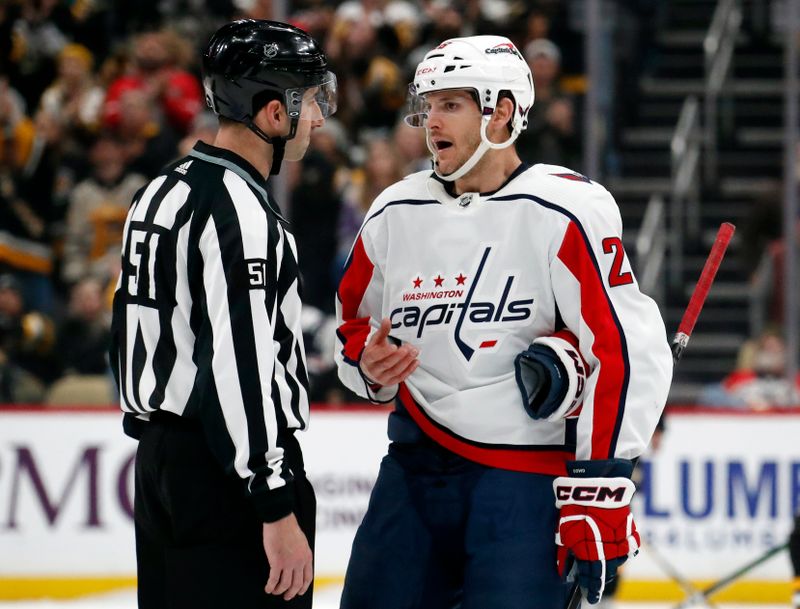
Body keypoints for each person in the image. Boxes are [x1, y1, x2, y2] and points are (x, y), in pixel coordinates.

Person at [334, 35, 673, 608]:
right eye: (427, 105)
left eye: (450, 104)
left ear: (502, 111)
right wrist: (368, 366)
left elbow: (622, 347)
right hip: (414, 465)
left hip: (524, 480)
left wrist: (599, 483)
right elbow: (354, 327)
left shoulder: (566, 207)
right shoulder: (395, 210)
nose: (429, 121)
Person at [109, 19, 337, 609]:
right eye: (309, 100)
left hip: (162, 459)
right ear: (271, 112)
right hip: (225, 476)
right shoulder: (241, 213)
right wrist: (274, 499)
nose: (316, 118)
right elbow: (241, 363)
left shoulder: (161, 189)